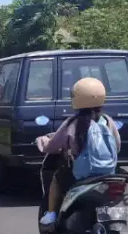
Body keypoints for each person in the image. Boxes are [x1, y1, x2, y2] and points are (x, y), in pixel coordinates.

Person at [36, 77, 121, 226]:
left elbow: (52, 146)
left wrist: (42, 142)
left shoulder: (72, 123)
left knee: (57, 178)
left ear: (77, 99)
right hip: (109, 173)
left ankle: (51, 215)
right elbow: (117, 146)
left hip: (82, 175)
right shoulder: (108, 121)